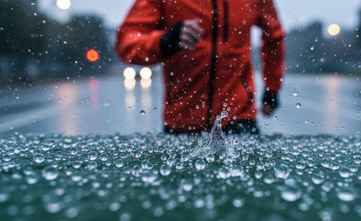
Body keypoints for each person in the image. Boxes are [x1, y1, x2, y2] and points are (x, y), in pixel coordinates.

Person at [116, 0, 285, 134]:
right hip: (181, 122)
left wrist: (272, 88)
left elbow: (275, 36)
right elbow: (126, 43)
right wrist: (165, 41)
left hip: (239, 118)